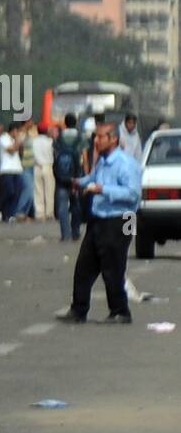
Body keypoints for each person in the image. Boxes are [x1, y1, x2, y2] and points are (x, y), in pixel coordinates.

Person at [57, 122, 142, 324]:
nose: (96, 140)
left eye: (101, 137)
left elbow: (133, 194)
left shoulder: (125, 163)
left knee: (113, 267)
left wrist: (102, 190)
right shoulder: (103, 161)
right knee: (84, 267)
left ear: (113, 139)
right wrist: (78, 183)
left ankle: (120, 311)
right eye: (96, 136)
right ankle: (78, 310)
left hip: (121, 220)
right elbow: (93, 178)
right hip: (99, 219)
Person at [53, 114, 87, 242]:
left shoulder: (59, 137)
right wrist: (87, 174)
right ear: (76, 122)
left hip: (62, 176)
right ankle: (75, 232)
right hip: (76, 175)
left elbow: (55, 155)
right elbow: (84, 154)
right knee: (76, 204)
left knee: (62, 205)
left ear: (65, 123)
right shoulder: (80, 137)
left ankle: (65, 234)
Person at [0, 122, 24, 222]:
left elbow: (20, 153)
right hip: (6, 169)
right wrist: (18, 140)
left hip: (17, 169)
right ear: (13, 130)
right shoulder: (4, 138)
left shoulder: (16, 140)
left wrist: (21, 145)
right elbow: (11, 150)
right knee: (9, 191)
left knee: (16, 193)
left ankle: (11, 214)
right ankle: (2, 210)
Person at [32, 124, 55, 221]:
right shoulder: (50, 142)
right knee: (49, 191)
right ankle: (49, 213)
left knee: (38, 191)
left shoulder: (34, 141)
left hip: (37, 166)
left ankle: (39, 214)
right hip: (48, 166)